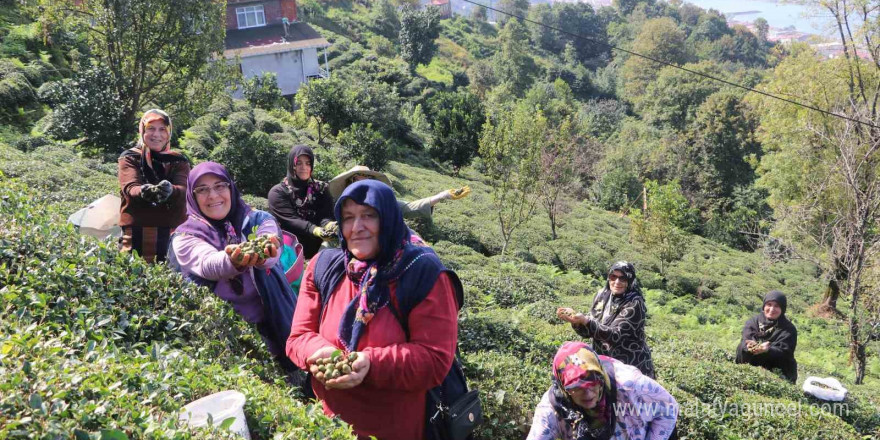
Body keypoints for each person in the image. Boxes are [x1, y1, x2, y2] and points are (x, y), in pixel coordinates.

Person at [286, 180, 459, 440]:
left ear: (388, 218)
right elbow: (298, 337)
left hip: (394, 428)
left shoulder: (423, 273)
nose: (357, 228)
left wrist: (371, 363)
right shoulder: (323, 266)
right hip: (326, 424)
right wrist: (316, 352)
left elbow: (435, 360)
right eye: (348, 218)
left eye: (369, 215)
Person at [169, 162, 301, 382]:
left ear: (231, 187)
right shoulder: (185, 237)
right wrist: (234, 259)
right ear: (192, 196)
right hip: (226, 334)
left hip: (275, 319)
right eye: (202, 189)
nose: (212, 195)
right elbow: (207, 264)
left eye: (220, 186)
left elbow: (271, 247)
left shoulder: (258, 218)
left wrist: (265, 253)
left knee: (294, 382)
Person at [527, 341, 678, 440]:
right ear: (563, 387)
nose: (588, 394)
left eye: (592, 384)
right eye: (577, 388)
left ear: (601, 377)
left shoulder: (630, 385)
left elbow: (670, 408)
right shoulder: (553, 406)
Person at [557, 261, 656, 378]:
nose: (617, 282)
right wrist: (576, 322)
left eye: (623, 278)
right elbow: (590, 331)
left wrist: (586, 321)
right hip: (605, 365)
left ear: (630, 281)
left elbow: (615, 336)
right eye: (613, 277)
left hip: (630, 367)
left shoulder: (634, 303)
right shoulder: (602, 296)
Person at [117, 109, 190, 263]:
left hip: (172, 233)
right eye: (151, 129)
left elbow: (184, 189)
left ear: (169, 133)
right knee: (134, 277)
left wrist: (171, 191)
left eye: (162, 129)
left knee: (170, 279)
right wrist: (144, 192)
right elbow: (130, 186)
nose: (156, 134)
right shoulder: (130, 157)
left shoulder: (178, 161)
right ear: (142, 131)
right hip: (136, 233)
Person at [328, 165, 470, 221]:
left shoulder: (382, 203)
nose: (362, 186)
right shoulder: (341, 205)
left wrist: (441, 196)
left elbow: (409, 207)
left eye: (367, 181)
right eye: (356, 181)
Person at [268, 145, 336, 259]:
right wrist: (314, 229)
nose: (304, 167)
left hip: (319, 252)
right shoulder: (278, 192)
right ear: (291, 165)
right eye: (299, 163)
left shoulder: (321, 189)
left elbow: (325, 215)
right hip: (289, 254)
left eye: (308, 163)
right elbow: (291, 220)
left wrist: (329, 225)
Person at [735, 290, 798, 383]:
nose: (772, 309)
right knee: (742, 346)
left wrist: (768, 350)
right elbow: (746, 338)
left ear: (782, 308)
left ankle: (774, 382)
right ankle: (742, 373)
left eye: (776, 306)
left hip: (776, 367)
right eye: (769, 304)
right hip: (755, 361)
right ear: (764, 306)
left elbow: (785, 352)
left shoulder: (789, 329)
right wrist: (751, 346)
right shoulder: (753, 321)